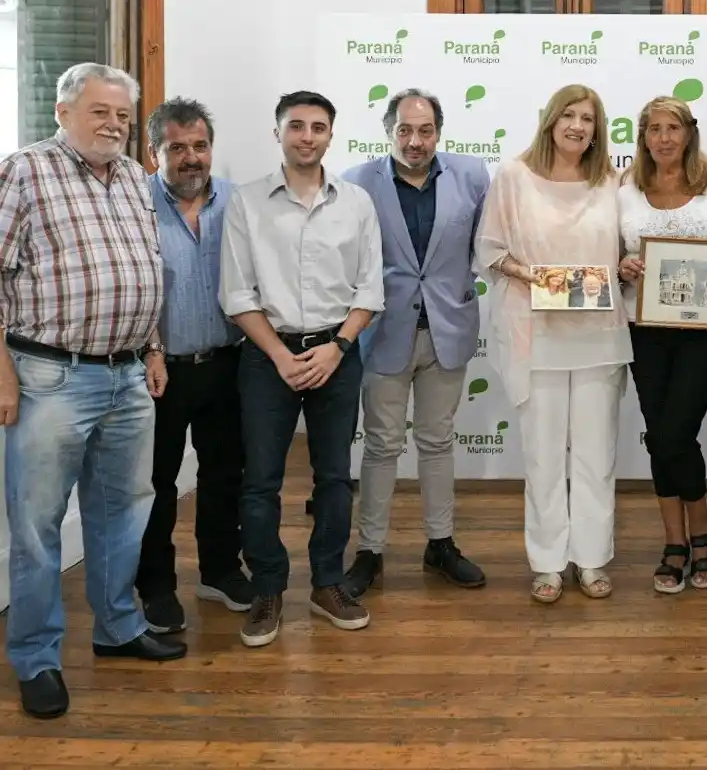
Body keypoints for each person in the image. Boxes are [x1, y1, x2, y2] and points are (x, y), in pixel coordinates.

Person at [0, 63, 184, 720]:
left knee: (124, 510)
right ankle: (37, 657)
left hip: (129, 372)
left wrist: (154, 348)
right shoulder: (26, 168)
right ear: (63, 110)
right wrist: (2, 371)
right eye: (100, 111)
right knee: (37, 524)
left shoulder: (136, 177)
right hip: (49, 374)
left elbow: (146, 269)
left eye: (123, 116)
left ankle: (117, 627)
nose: (113, 125)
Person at [220, 90, 385, 648]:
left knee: (334, 478)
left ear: (331, 136)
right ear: (278, 134)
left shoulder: (357, 203)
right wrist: (281, 356)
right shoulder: (246, 202)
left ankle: (328, 582)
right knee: (261, 480)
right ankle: (268, 588)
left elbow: (369, 288)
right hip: (269, 357)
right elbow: (237, 294)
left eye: (318, 127)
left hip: (338, 353)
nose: (307, 136)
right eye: (296, 126)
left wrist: (337, 346)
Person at [475, 84, 632, 604]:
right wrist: (539, 279)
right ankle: (547, 561)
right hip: (535, 334)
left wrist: (627, 267)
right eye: (569, 115)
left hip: (599, 336)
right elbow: (490, 250)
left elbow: (628, 252)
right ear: (550, 121)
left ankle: (590, 559)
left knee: (595, 454)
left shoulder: (613, 181)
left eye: (588, 118)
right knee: (543, 455)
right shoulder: (513, 177)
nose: (578, 126)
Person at [341, 89, 489, 598]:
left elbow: (485, 248)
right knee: (381, 444)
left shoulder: (471, 176)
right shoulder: (357, 182)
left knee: (438, 440)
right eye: (404, 130)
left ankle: (440, 543)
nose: (415, 140)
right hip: (383, 332)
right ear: (389, 131)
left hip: (448, 329)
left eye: (425, 131)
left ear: (439, 133)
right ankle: (370, 550)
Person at [617, 96, 707, 593]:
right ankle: (679, 539)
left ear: (689, 132)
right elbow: (610, 252)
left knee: (673, 432)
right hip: (643, 327)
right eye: (653, 129)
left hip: (706, 332)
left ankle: (701, 529)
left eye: (673, 127)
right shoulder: (624, 189)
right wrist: (621, 266)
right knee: (661, 433)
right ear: (643, 136)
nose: (663, 138)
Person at [136, 98, 252, 636]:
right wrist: (151, 349)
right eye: (177, 148)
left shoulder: (238, 203)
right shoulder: (133, 205)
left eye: (200, 146)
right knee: (156, 483)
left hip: (227, 363)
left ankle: (220, 570)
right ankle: (156, 585)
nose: (191, 158)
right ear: (153, 151)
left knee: (225, 473)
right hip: (156, 370)